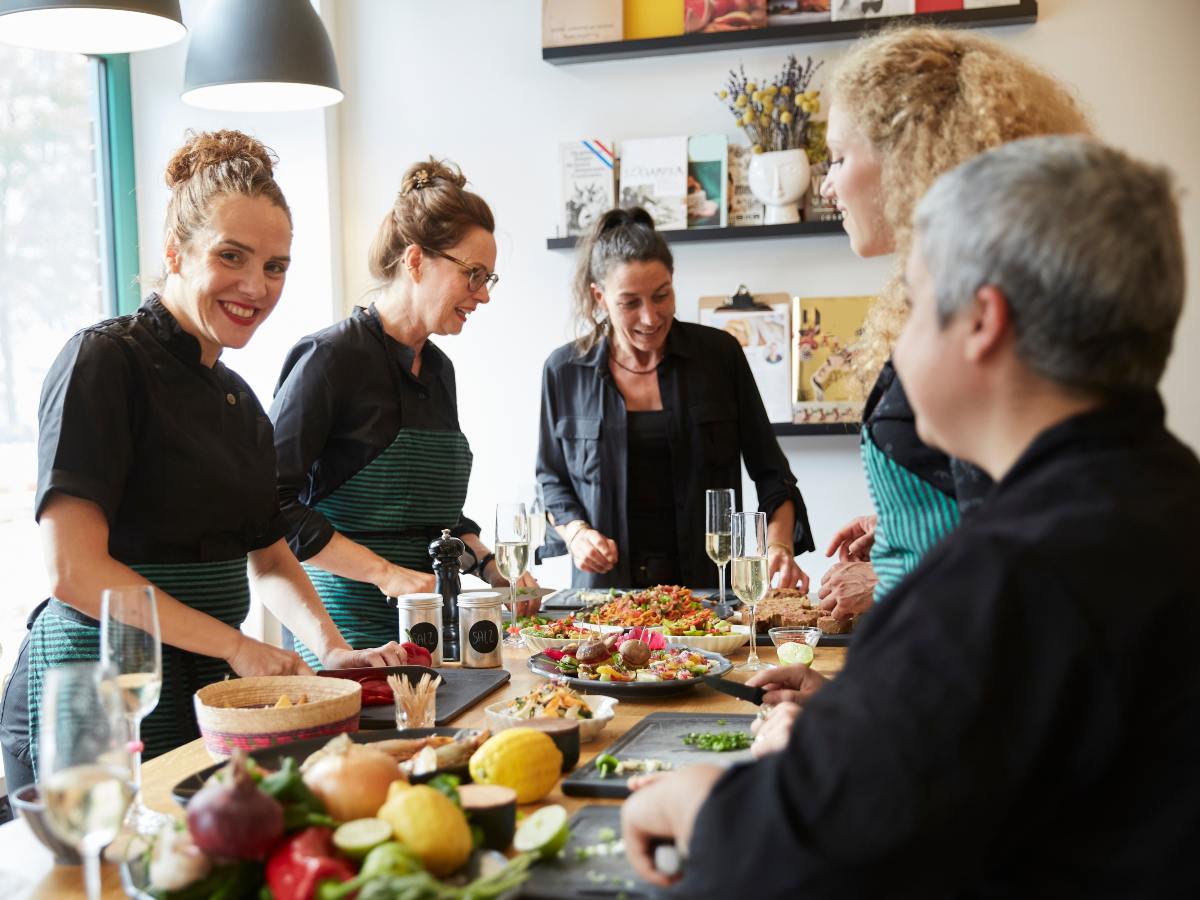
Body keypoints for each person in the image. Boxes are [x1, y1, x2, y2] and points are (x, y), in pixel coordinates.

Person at [621, 136, 1200, 898]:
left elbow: (795, 856)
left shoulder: (1011, 574)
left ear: (982, 322)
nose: (898, 336)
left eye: (917, 301)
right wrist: (863, 707)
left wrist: (689, 800)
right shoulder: (1164, 495)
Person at [0, 130, 406, 790]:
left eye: (276, 266)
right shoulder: (103, 361)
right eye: (232, 257)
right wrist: (238, 646)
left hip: (201, 694)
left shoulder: (241, 403)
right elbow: (72, 570)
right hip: (93, 695)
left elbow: (271, 557)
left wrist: (333, 652)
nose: (256, 286)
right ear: (175, 254)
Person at [814, 27, 1091, 618]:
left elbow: (1015, 553)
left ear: (907, 156)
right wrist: (895, 531)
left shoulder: (981, 313)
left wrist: (891, 580)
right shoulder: (940, 291)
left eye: (839, 157)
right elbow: (968, 499)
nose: (827, 184)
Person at [269, 158, 537, 669]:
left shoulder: (439, 369)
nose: (482, 295)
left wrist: (491, 565)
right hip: (347, 643)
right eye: (472, 275)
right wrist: (385, 573)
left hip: (433, 634)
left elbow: (437, 517)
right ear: (415, 260)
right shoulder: (328, 359)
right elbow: (271, 507)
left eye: (489, 278)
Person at [536, 207, 813, 590]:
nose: (650, 317)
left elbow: (772, 473)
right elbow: (551, 479)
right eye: (630, 302)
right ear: (599, 297)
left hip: (708, 593)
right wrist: (577, 534)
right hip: (603, 598)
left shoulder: (719, 356)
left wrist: (778, 544)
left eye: (661, 296)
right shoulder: (564, 370)